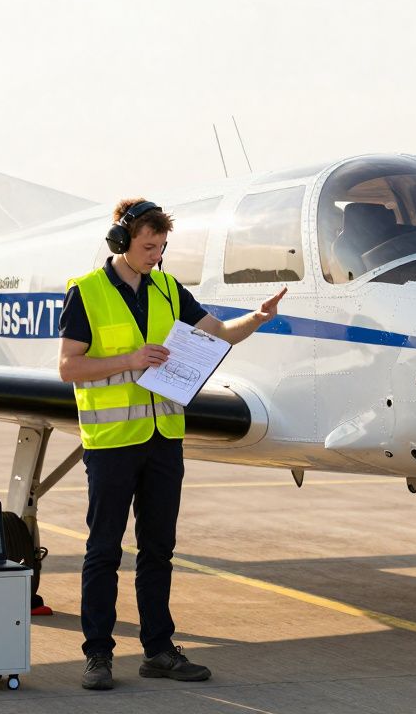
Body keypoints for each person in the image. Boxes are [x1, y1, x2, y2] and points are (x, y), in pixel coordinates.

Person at [58, 198, 286, 691]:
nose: (155, 256)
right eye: (146, 246)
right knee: (103, 551)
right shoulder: (88, 292)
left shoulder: (166, 287)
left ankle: (158, 650)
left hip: (164, 439)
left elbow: (218, 334)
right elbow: (69, 367)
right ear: (121, 242)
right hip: (113, 441)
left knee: (158, 550)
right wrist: (131, 359)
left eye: (161, 247)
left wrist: (258, 317)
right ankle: (98, 655)